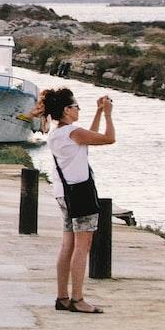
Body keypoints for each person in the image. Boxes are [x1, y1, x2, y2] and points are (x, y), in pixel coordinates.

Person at [36, 87, 116, 315]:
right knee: (83, 246)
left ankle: (62, 296)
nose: (79, 109)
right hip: (81, 193)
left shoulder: (58, 132)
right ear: (66, 110)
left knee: (67, 245)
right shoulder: (72, 132)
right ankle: (78, 298)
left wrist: (99, 113)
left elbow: (87, 136)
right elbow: (109, 139)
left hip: (64, 193)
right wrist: (109, 114)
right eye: (76, 107)